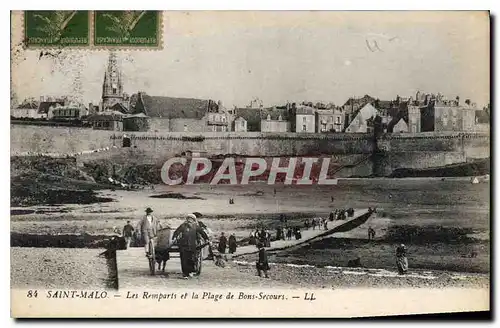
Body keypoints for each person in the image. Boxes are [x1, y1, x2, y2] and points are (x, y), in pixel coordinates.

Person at [173, 214, 210, 278]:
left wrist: (206, 239)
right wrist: (175, 237)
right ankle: (185, 274)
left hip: (192, 246)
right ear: (187, 219)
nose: (189, 220)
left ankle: (190, 272)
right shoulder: (183, 226)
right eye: (188, 219)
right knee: (184, 260)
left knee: (191, 259)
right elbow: (177, 231)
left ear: (193, 220)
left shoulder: (196, 226)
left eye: (191, 219)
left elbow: (202, 232)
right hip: (183, 246)